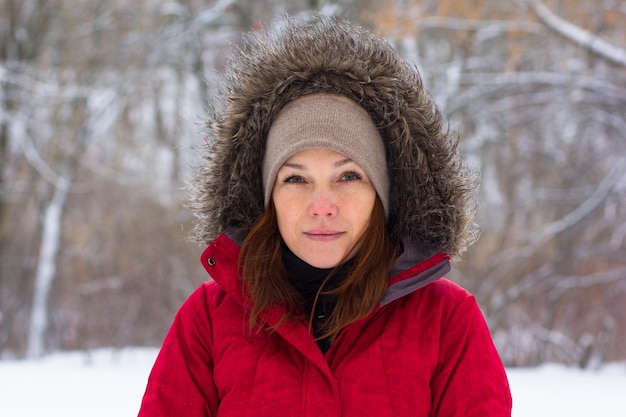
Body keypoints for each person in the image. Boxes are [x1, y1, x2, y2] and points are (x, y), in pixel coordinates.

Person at [138, 13, 512, 417]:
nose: (322, 205)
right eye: (295, 179)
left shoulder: (446, 321)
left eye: (348, 176)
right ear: (268, 199)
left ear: (381, 195)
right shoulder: (208, 320)